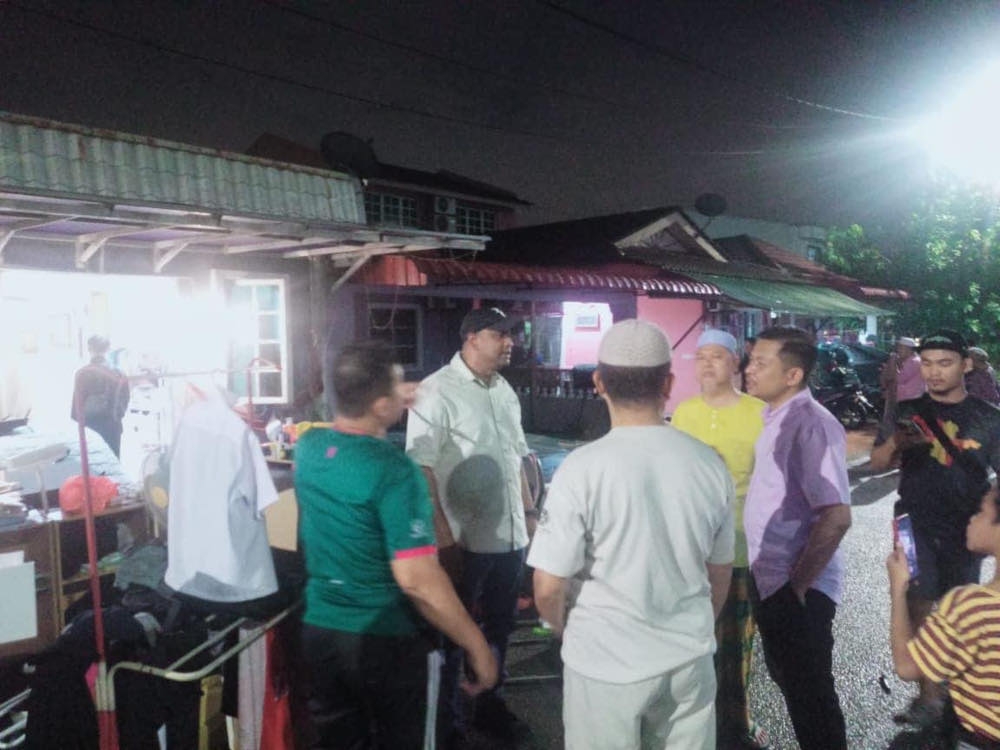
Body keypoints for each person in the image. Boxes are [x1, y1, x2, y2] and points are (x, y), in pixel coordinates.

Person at [529, 319, 735, 750]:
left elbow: (549, 586)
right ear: (669, 382)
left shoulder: (581, 468)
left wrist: (562, 629)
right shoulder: (709, 464)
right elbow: (719, 573)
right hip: (689, 660)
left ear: (599, 382)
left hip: (605, 661)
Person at [295, 342, 498, 749]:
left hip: (321, 634)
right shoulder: (394, 470)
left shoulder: (309, 451)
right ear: (381, 403)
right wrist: (477, 645)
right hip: (386, 642)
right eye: (399, 386)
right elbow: (417, 580)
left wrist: (388, 398)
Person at [405, 306, 535, 745]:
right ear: (472, 338)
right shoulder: (436, 391)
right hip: (464, 542)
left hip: (509, 537)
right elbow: (420, 469)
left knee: (500, 629)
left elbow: (517, 458)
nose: (510, 342)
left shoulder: (504, 390)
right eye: (500, 334)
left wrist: (530, 515)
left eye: (511, 334)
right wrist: (443, 541)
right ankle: (448, 725)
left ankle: (489, 706)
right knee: (452, 635)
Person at [870, 329, 1000, 728]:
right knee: (918, 598)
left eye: (944, 363)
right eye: (926, 363)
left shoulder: (989, 417)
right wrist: (897, 443)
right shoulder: (907, 409)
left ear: (965, 365)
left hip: (967, 527)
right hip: (913, 521)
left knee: (959, 606)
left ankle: (963, 693)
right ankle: (929, 698)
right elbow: (876, 462)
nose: (934, 372)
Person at [743, 326, 852, 750]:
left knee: (811, 699)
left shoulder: (812, 424)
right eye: (750, 360)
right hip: (772, 578)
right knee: (794, 686)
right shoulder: (774, 417)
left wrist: (797, 588)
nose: (748, 369)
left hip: (796, 587)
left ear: (793, 375)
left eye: (760, 362)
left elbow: (837, 517)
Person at [671, 329, 769, 750]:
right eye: (701, 357)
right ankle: (694, 723)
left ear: (735, 364)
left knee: (735, 645)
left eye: (717, 356)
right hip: (689, 549)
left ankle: (737, 723)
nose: (707, 364)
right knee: (692, 640)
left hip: (742, 548)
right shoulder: (683, 413)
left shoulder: (762, 413)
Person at [887, 486, 1000, 747]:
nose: (971, 518)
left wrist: (898, 589)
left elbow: (907, 666)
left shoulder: (970, 607)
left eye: (981, 511)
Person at [70, 334, 130, 457]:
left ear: (89, 349)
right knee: (112, 461)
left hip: (89, 427)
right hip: (112, 426)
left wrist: (79, 420)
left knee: (92, 464)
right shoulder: (119, 373)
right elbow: (125, 398)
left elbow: (76, 407)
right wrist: (117, 416)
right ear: (108, 349)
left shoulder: (82, 373)